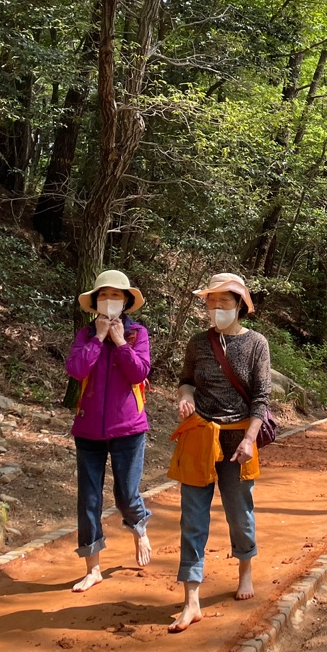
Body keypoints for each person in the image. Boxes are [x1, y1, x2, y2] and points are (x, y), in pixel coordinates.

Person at [168, 272, 271, 633]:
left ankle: (244, 570)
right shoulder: (198, 343)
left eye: (223, 303)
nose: (215, 309)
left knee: (240, 513)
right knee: (192, 519)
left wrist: (249, 439)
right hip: (199, 436)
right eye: (210, 303)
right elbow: (185, 380)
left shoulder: (257, 343)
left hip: (238, 440)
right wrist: (185, 397)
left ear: (240, 305)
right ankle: (191, 599)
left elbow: (261, 398)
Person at [65, 269, 153, 592]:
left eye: (116, 296)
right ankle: (93, 567)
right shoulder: (85, 335)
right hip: (88, 429)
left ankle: (140, 529)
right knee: (88, 500)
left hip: (129, 428)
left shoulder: (137, 334)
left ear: (126, 301)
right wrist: (99, 338)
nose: (109, 301)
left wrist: (118, 342)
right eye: (104, 295)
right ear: (96, 301)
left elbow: (140, 370)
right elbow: (75, 369)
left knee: (126, 494)